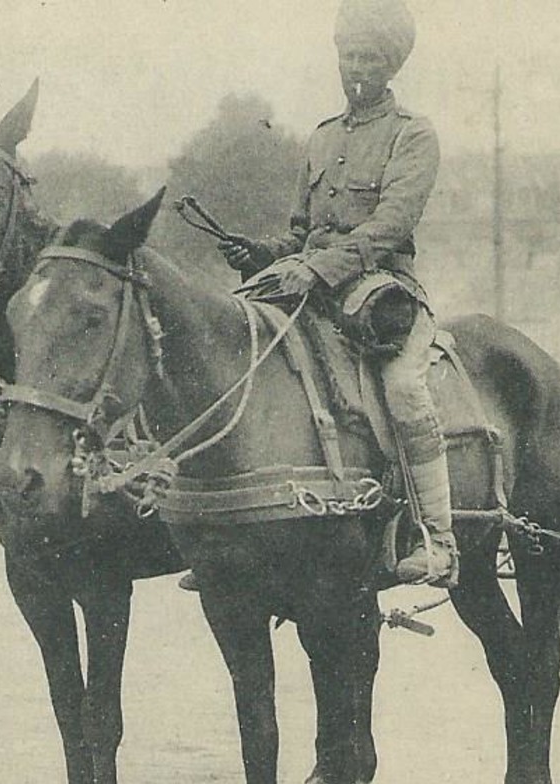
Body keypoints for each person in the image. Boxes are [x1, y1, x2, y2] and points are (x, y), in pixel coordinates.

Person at [218, 0, 455, 585]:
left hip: (382, 293)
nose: (355, 66)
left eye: (369, 57)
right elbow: (300, 233)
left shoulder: (412, 136)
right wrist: (264, 254)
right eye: (347, 54)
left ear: (392, 65)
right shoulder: (321, 140)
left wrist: (315, 268)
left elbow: (390, 226)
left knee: (402, 390)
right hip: (313, 288)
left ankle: (439, 538)